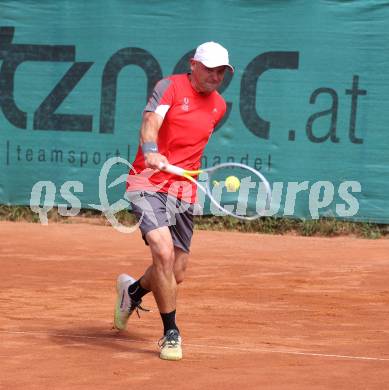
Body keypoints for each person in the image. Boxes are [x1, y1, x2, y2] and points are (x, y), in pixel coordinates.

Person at [113, 41, 234, 361]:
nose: (216, 76)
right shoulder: (169, 87)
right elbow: (151, 121)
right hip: (146, 181)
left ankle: (133, 291)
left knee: (175, 272)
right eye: (210, 68)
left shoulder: (218, 106)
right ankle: (171, 333)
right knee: (162, 252)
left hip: (183, 190)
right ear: (193, 64)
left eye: (221, 71)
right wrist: (151, 149)